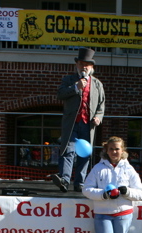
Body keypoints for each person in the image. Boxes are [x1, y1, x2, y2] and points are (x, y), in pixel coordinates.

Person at [52, 47, 105, 193]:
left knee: (85, 153)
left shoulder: (97, 84)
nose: (84, 67)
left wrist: (98, 117)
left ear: (92, 67)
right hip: (72, 123)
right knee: (68, 151)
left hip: (88, 125)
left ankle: (80, 183)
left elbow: (101, 104)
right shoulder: (69, 80)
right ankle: (64, 180)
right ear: (77, 65)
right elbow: (60, 94)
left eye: (87, 64)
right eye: (81, 64)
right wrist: (76, 87)